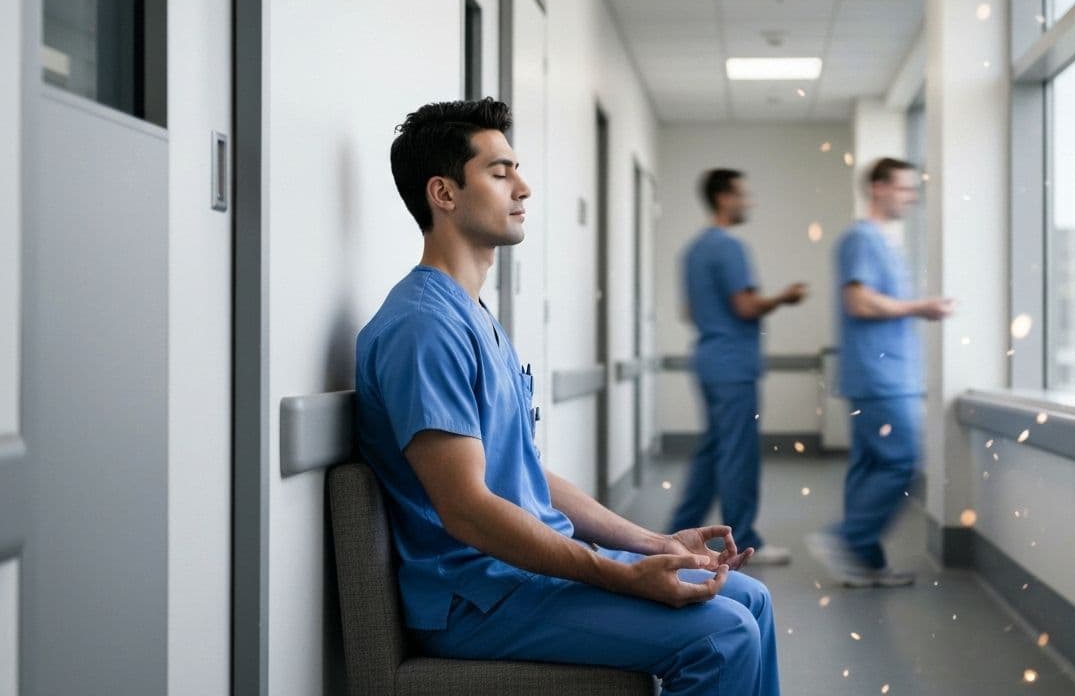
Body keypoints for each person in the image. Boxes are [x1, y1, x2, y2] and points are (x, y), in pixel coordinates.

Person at [356, 99, 780, 696]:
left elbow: (527, 473)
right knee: (724, 634)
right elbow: (467, 509)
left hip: (521, 572)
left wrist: (652, 543)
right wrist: (618, 575)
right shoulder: (423, 327)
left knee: (752, 600)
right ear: (443, 193)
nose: (523, 187)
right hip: (477, 595)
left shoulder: (474, 316)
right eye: (500, 173)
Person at [806, 157, 955, 588]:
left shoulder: (881, 243)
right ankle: (847, 539)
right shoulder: (862, 239)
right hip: (881, 377)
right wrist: (920, 307)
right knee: (901, 460)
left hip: (880, 375)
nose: (911, 198)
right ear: (879, 187)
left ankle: (864, 563)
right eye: (904, 188)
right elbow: (859, 302)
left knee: (870, 466)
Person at [668, 169, 807, 567]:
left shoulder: (694, 251)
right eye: (743, 195)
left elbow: (689, 310)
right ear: (723, 198)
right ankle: (743, 542)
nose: (749, 202)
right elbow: (745, 306)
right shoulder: (729, 247)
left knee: (713, 453)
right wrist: (783, 298)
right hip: (733, 365)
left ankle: (675, 535)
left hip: (709, 360)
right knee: (737, 457)